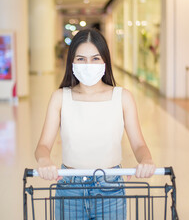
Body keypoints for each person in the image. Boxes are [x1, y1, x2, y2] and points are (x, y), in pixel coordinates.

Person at [34, 29, 155, 219]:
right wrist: (44, 160)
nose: (88, 65)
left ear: (105, 61)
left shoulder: (123, 98)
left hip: (110, 189)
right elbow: (42, 146)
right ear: (71, 62)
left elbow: (139, 144)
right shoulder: (60, 98)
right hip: (69, 189)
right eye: (81, 59)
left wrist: (146, 160)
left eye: (95, 58)